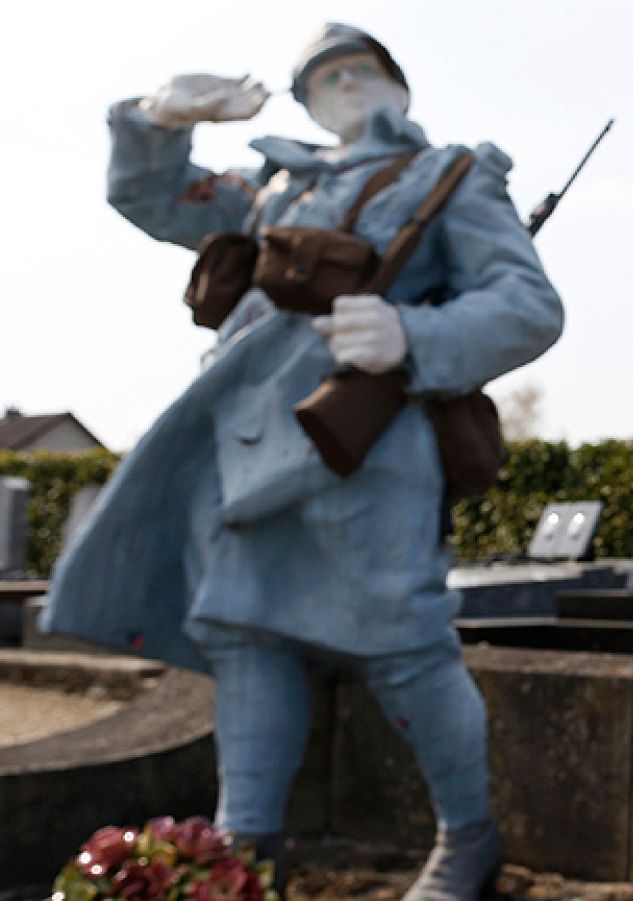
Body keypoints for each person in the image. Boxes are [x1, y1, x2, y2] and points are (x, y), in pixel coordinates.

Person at [43, 22, 562, 901]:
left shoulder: (452, 176)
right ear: (307, 101)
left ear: (399, 85)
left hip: (365, 447)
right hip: (240, 447)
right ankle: (242, 848)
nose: (346, 84)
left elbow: (527, 304)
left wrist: (414, 331)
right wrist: (159, 117)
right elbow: (153, 196)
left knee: (406, 645)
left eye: (363, 69)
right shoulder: (275, 186)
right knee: (248, 642)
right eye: (325, 76)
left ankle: (465, 838)